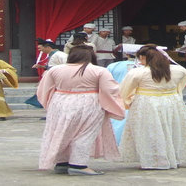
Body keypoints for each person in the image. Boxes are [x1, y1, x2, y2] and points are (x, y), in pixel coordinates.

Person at [37, 45, 124, 176]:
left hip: (60, 101)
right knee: (84, 134)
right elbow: (110, 89)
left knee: (61, 132)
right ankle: (78, 165)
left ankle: (62, 163)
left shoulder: (55, 70)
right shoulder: (99, 70)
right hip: (89, 102)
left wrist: (49, 105)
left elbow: (44, 89)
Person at [119, 44, 186, 170]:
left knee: (149, 131)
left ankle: (153, 160)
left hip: (147, 102)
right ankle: (173, 157)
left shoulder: (137, 72)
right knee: (172, 129)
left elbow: (125, 90)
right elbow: (180, 86)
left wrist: (127, 101)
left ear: (143, 57)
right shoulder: (179, 70)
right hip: (172, 101)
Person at [106, 45, 140, 143]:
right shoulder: (144, 67)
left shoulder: (113, 66)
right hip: (136, 97)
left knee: (116, 122)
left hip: (116, 97)